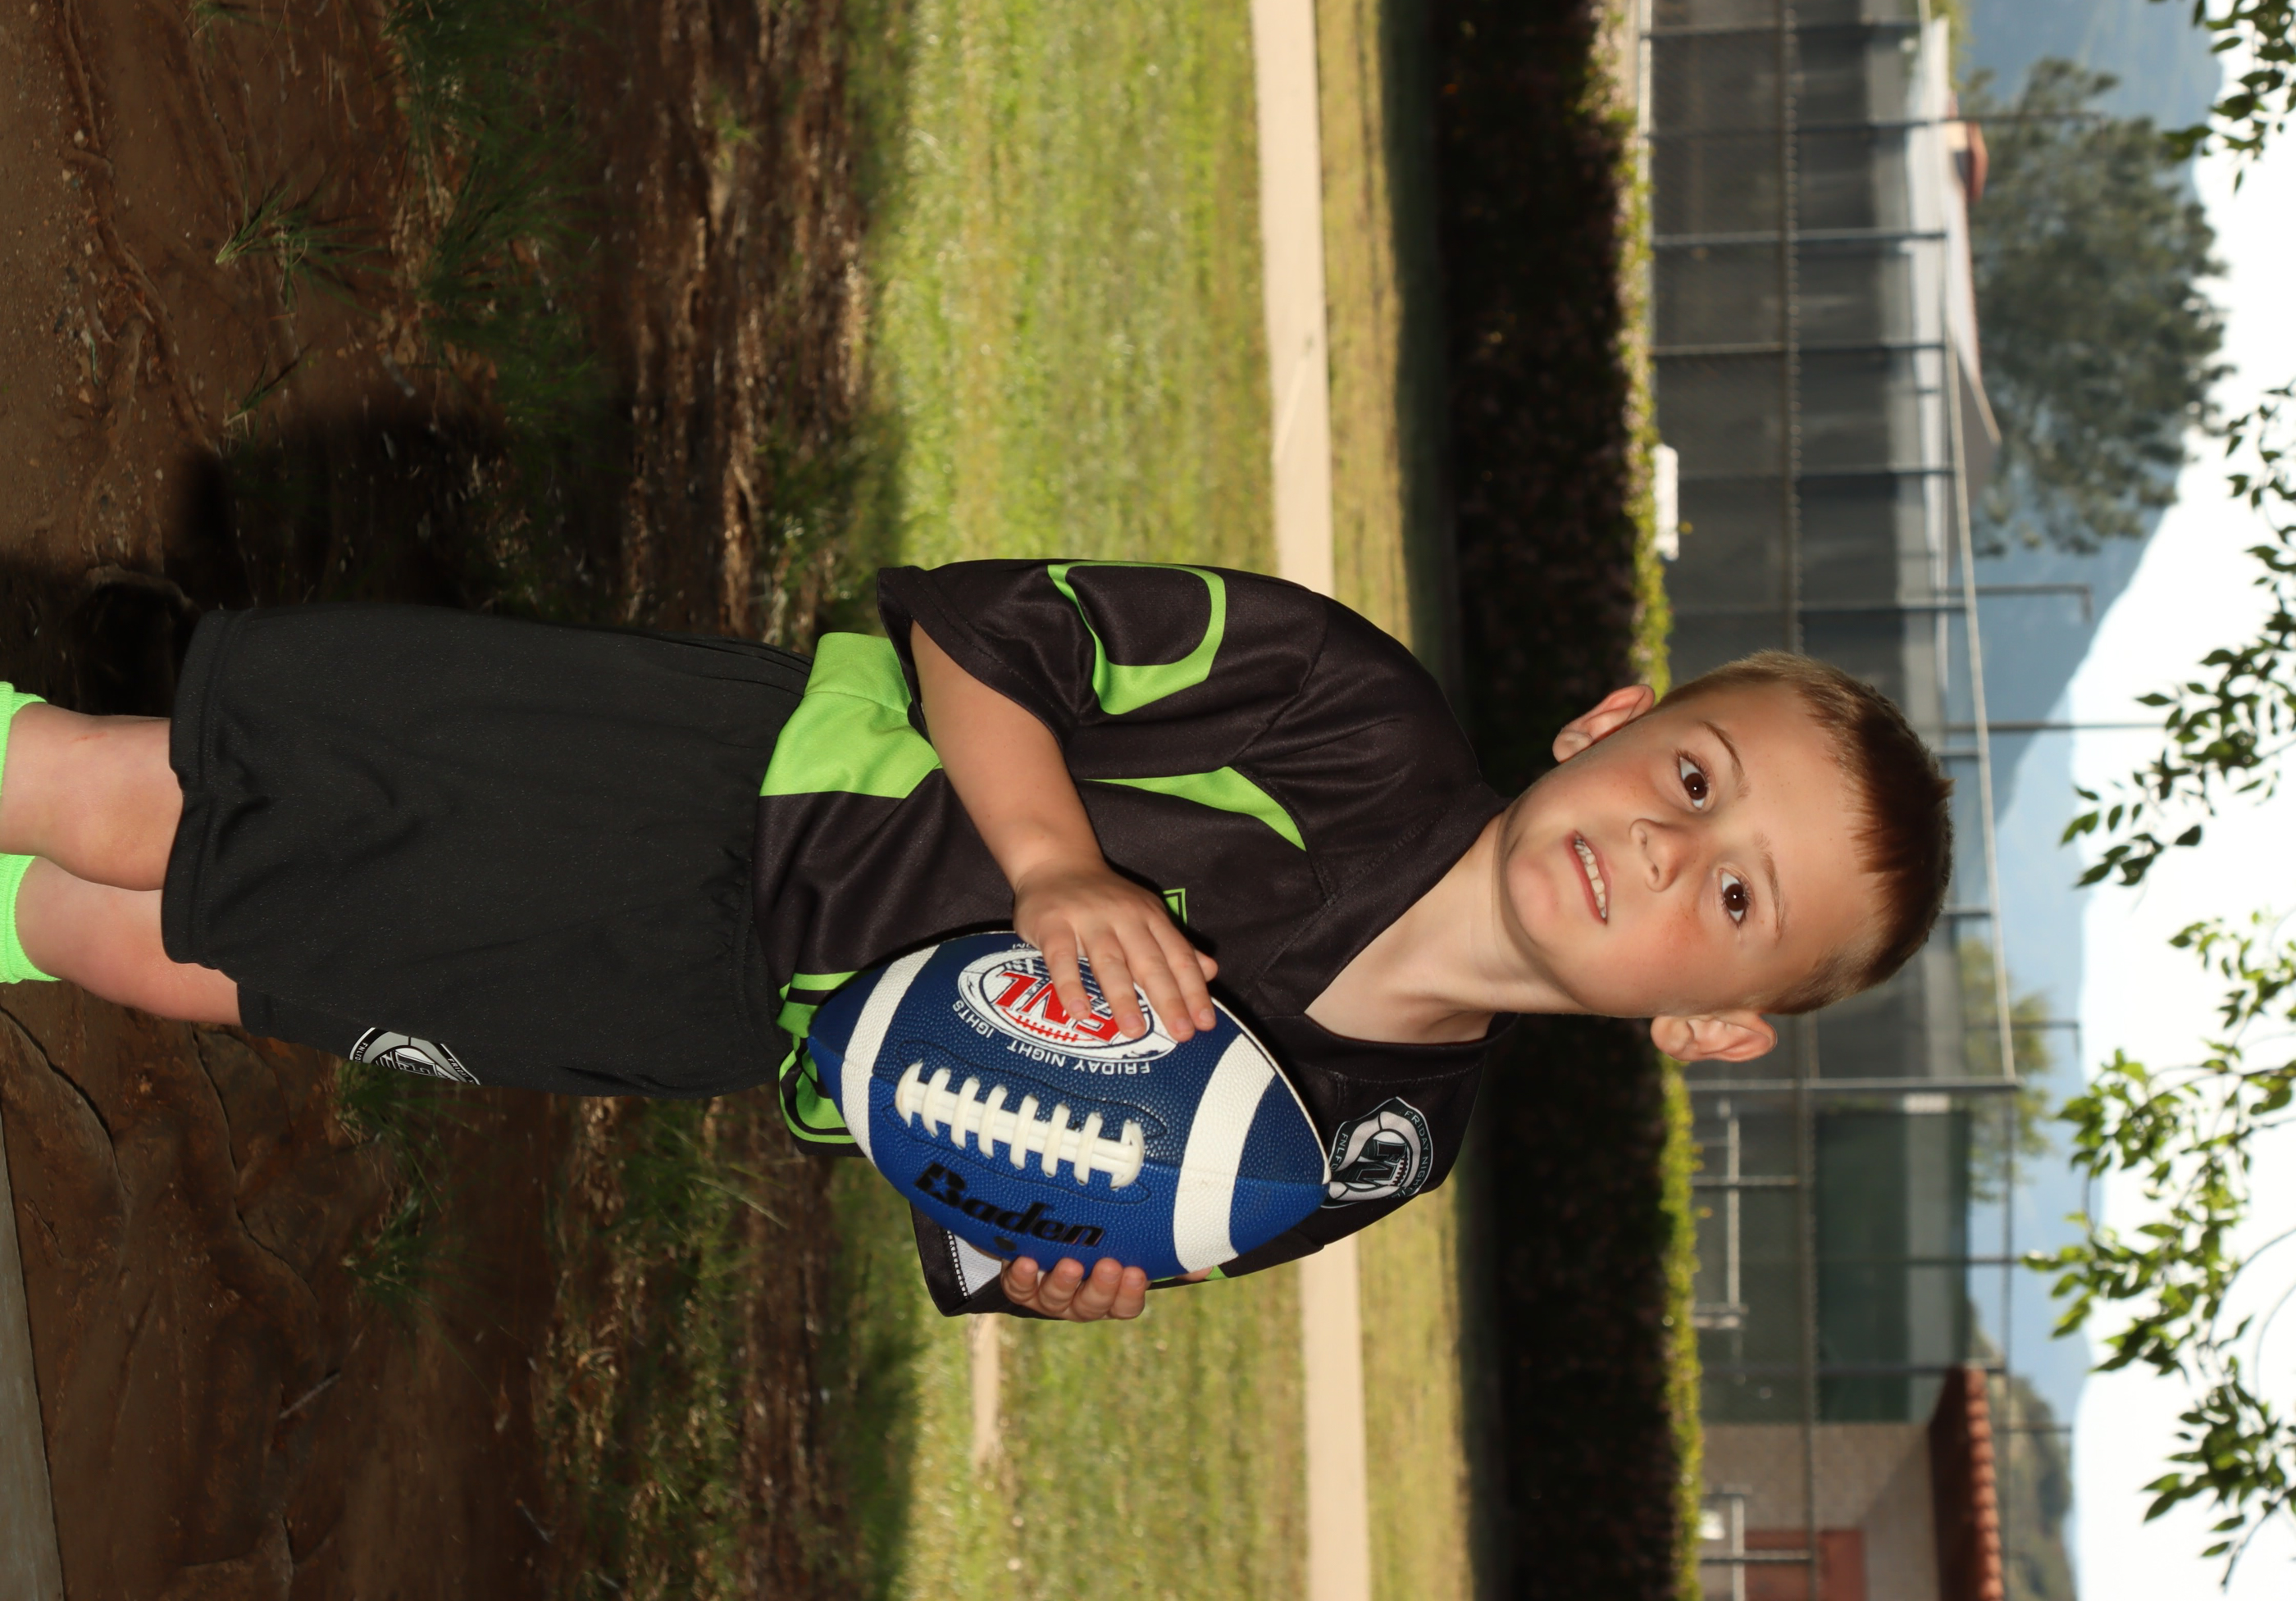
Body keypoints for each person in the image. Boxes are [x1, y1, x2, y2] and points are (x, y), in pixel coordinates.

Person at [0, 560, 1952, 1321]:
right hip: (728, 789)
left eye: (1733, 898)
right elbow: (981, 629)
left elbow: (1045, 1184)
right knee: (137, 801)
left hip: (723, 1018)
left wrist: (1046, 1272)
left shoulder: (1377, 1140)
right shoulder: (1350, 710)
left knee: (190, 961)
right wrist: (1048, 862)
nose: (1665, 849)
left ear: (1712, 1028)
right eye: (1693, 778)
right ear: (1612, 719)